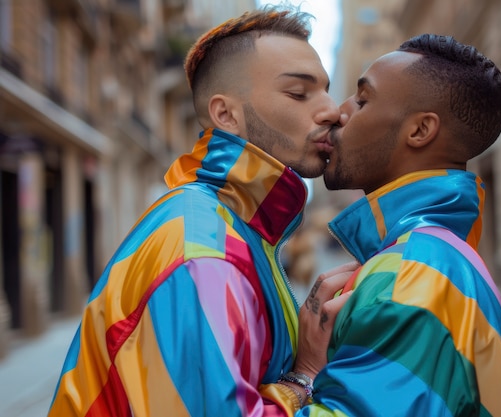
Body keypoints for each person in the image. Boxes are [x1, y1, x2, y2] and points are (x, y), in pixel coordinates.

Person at [48, 6, 356, 416]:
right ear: (225, 114)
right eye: (299, 93)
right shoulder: (203, 251)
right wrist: (305, 375)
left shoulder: (235, 227)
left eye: (325, 90)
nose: (331, 111)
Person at [299, 34, 501, 416]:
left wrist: (306, 373)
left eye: (362, 100)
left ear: (420, 131)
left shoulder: (411, 274)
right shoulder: (434, 256)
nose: (337, 112)